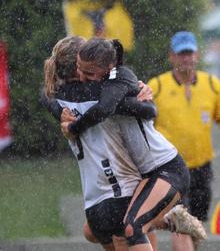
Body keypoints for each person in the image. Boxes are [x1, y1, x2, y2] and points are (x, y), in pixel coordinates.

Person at [61, 37, 206, 251]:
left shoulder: (118, 83)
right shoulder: (100, 87)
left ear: (107, 68)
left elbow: (114, 108)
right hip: (143, 174)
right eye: (79, 71)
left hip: (166, 169)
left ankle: (170, 221)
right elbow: (49, 97)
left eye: (88, 73)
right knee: (91, 231)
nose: (82, 78)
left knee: (132, 228)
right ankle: (170, 220)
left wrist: (72, 128)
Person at [42, 35, 158, 251]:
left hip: (94, 204)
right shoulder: (104, 94)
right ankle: (167, 217)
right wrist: (143, 93)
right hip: (122, 194)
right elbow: (149, 112)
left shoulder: (55, 95)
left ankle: (165, 217)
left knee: (91, 232)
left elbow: (45, 94)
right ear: (79, 67)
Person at [147, 31, 220, 251]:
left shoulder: (212, 85)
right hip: (170, 171)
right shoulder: (157, 87)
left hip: (201, 167)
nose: (185, 58)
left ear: (197, 54)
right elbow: (143, 129)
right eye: (181, 54)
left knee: (194, 226)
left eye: (189, 53)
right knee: (181, 225)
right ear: (172, 56)